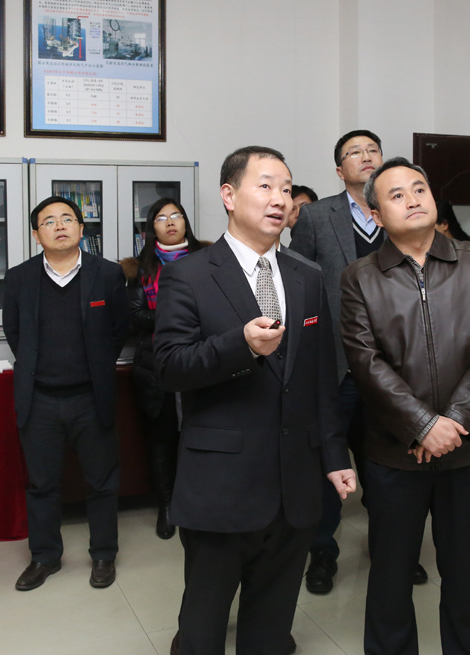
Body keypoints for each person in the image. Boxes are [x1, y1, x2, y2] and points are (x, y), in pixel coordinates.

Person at [154, 146, 355, 655]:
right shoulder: (190, 274)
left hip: (295, 483)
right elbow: (171, 367)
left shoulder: (307, 276)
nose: (280, 199)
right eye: (265, 186)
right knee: (202, 629)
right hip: (220, 485)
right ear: (229, 195)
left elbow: (320, 377)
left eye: (286, 189)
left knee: (271, 627)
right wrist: (239, 346)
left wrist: (334, 456)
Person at [341, 157, 470, 655]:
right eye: (396, 195)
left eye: (419, 188)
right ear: (376, 214)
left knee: (466, 573)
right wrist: (421, 425)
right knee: (391, 573)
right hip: (395, 454)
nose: (413, 199)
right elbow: (365, 362)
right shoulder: (359, 277)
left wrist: (453, 422)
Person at [290, 129, 427, 593]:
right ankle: (322, 553)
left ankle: (395, 551)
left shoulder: (401, 213)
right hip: (335, 366)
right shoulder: (315, 216)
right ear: (339, 169)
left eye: (373, 150)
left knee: (389, 468)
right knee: (327, 465)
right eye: (354, 152)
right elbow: (298, 282)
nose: (366, 156)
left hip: (395, 368)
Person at [2, 195, 130, 593]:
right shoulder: (19, 278)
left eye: (67, 219)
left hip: (91, 397)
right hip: (39, 398)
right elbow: (15, 333)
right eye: (49, 221)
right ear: (36, 234)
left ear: (81, 228)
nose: (59, 226)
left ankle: (104, 554)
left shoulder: (107, 274)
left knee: (102, 481)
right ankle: (44, 557)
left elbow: (118, 329)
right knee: (42, 484)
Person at [120, 198, 207, 539]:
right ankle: (167, 506)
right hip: (156, 366)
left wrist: (176, 315)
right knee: (162, 438)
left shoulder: (208, 257)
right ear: (151, 228)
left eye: (176, 215)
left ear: (185, 222)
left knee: (202, 433)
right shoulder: (139, 268)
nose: (170, 222)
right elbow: (134, 317)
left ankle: (198, 503)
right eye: (161, 218)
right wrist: (182, 315)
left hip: (203, 361)